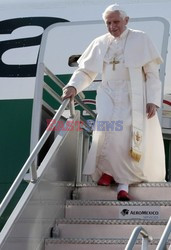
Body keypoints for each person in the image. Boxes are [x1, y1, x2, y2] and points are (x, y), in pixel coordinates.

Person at [62, 3, 166, 201]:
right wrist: (73, 86)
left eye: (116, 22)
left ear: (126, 21)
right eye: (108, 23)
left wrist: (153, 100)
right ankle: (107, 172)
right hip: (109, 92)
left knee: (126, 133)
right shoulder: (100, 42)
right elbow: (86, 71)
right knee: (106, 128)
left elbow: (153, 74)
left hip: (134, 94)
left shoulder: (141, 39)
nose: (112, 26)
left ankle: (123, 184)